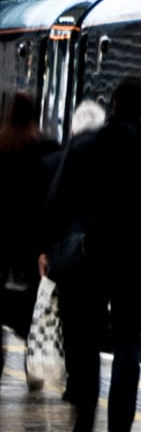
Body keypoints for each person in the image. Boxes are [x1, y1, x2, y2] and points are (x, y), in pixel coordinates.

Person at [43, 75, 141, 432]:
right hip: (137, 264)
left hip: (88, 259)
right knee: (128, 345)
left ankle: (83, 426)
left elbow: (56, 205)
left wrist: (48, 249)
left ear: (113, 104)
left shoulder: (84, 148)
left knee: (84, 341)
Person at [0, 91, 59, 378]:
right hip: (32, 243)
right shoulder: (48, 148)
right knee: (33, 307)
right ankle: (32, 366)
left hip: (2, 241)